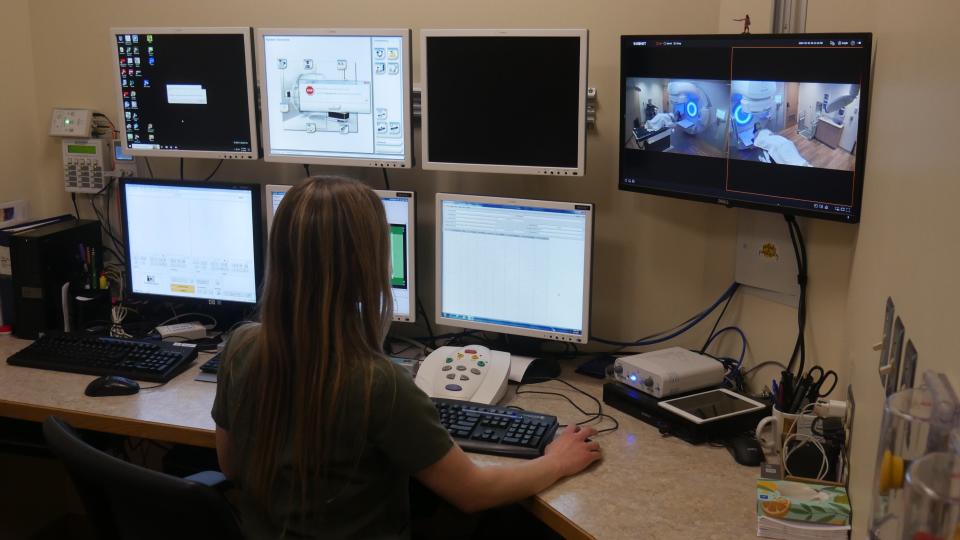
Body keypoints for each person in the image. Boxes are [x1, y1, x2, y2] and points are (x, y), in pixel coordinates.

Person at [212, 176, 602, 539]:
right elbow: (472, 492)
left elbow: (230, 466)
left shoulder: (241, 347)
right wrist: (557, 461)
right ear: (368, 267)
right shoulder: (376, 382)